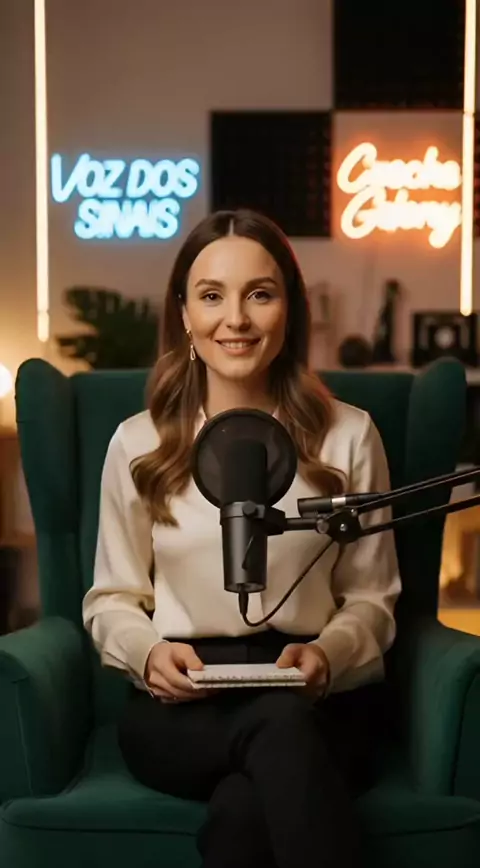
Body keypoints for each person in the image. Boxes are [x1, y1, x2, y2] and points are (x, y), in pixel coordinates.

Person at [82, 209, 401, 868]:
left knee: (244, 810)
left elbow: (373, 599)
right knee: (279, 736)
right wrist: (146, 654)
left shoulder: (349, 436)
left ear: (289, 310)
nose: (236, 319)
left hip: (315, 697)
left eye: (259, 294)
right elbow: (111, 598)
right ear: (184, 314)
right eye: (211, 296)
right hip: (184, 707)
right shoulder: (138, 443)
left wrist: (329, 655)